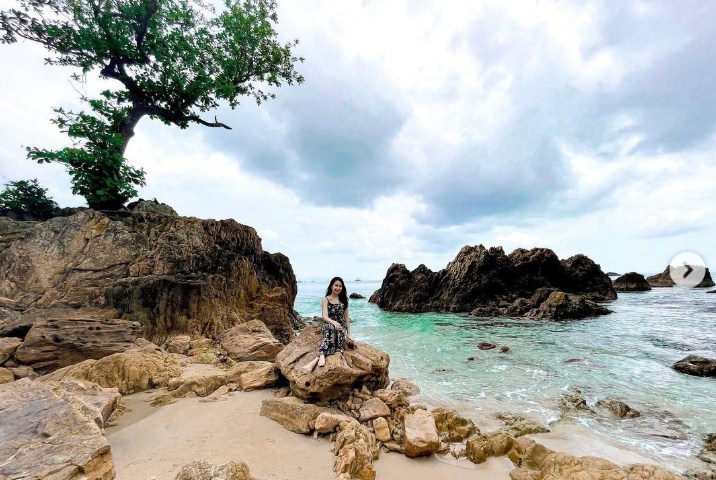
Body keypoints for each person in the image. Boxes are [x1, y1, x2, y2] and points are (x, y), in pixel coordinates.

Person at [303, 276, 352, 372]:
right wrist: (334, 322)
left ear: (342, 288)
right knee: (330, 329)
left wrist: (349, 333)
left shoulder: (344, 300)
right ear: (331, 286)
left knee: (336, 339)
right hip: (329, 324)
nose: (338, 288)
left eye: (340, 286)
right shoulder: (326, 299)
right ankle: (320, 356)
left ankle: (318, 358)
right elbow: (324, 317)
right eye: (336, 285)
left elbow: (346, 318)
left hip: (340, 328)